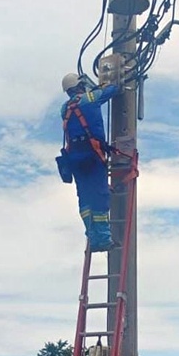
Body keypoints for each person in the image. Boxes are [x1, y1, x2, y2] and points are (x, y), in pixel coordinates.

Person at [59, 73, 121, 252]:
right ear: (79, 85)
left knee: (85, 200)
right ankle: (103, 240)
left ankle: (93, 237)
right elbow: (112, 90)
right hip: (93, 156)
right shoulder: (90, 98)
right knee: (100, 197)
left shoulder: (64, 108)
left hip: (75, 160)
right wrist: (104, 85)